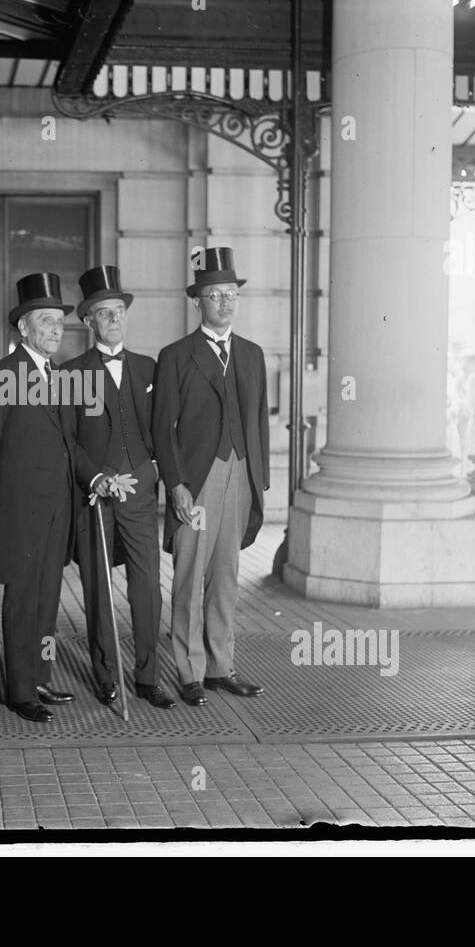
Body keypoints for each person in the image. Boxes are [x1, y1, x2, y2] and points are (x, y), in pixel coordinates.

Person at [153, 248, 270, 706]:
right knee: (189, 575)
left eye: (229, 293)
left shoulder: (252, 354)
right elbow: (163, 428)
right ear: (197, 301)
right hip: (198, 480)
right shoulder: (176, 356)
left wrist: (257, 481)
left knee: (226, 575)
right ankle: (190, 671)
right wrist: (176, 484)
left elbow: (258, 421)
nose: (224, 301)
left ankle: (222, 666)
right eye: (213, 294)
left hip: (240, 474)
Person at [0, 273, 77, 723]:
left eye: (59, 322)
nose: (55, 329)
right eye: (45, 321)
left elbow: (71, 443)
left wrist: (95, 479)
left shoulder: (62, 376)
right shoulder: (5, 374)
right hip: (21, 507)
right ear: (24, 328)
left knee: (48, 597)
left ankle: (40, 675)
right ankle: (19, 689)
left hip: (58, 506)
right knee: (21, 598)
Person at [61, 265, 174, 710]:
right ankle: (106, 675)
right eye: (103, 313)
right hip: (96, 494)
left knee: (147, 586)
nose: (113, 319)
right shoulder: (72, 373)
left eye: (118, 311)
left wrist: (155, 469)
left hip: (140, 490)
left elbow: (163, 428)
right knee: (98, 586)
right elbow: (67, 440)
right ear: (88, 322)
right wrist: (95, 477)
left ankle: (148, 676)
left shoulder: (149, 366)